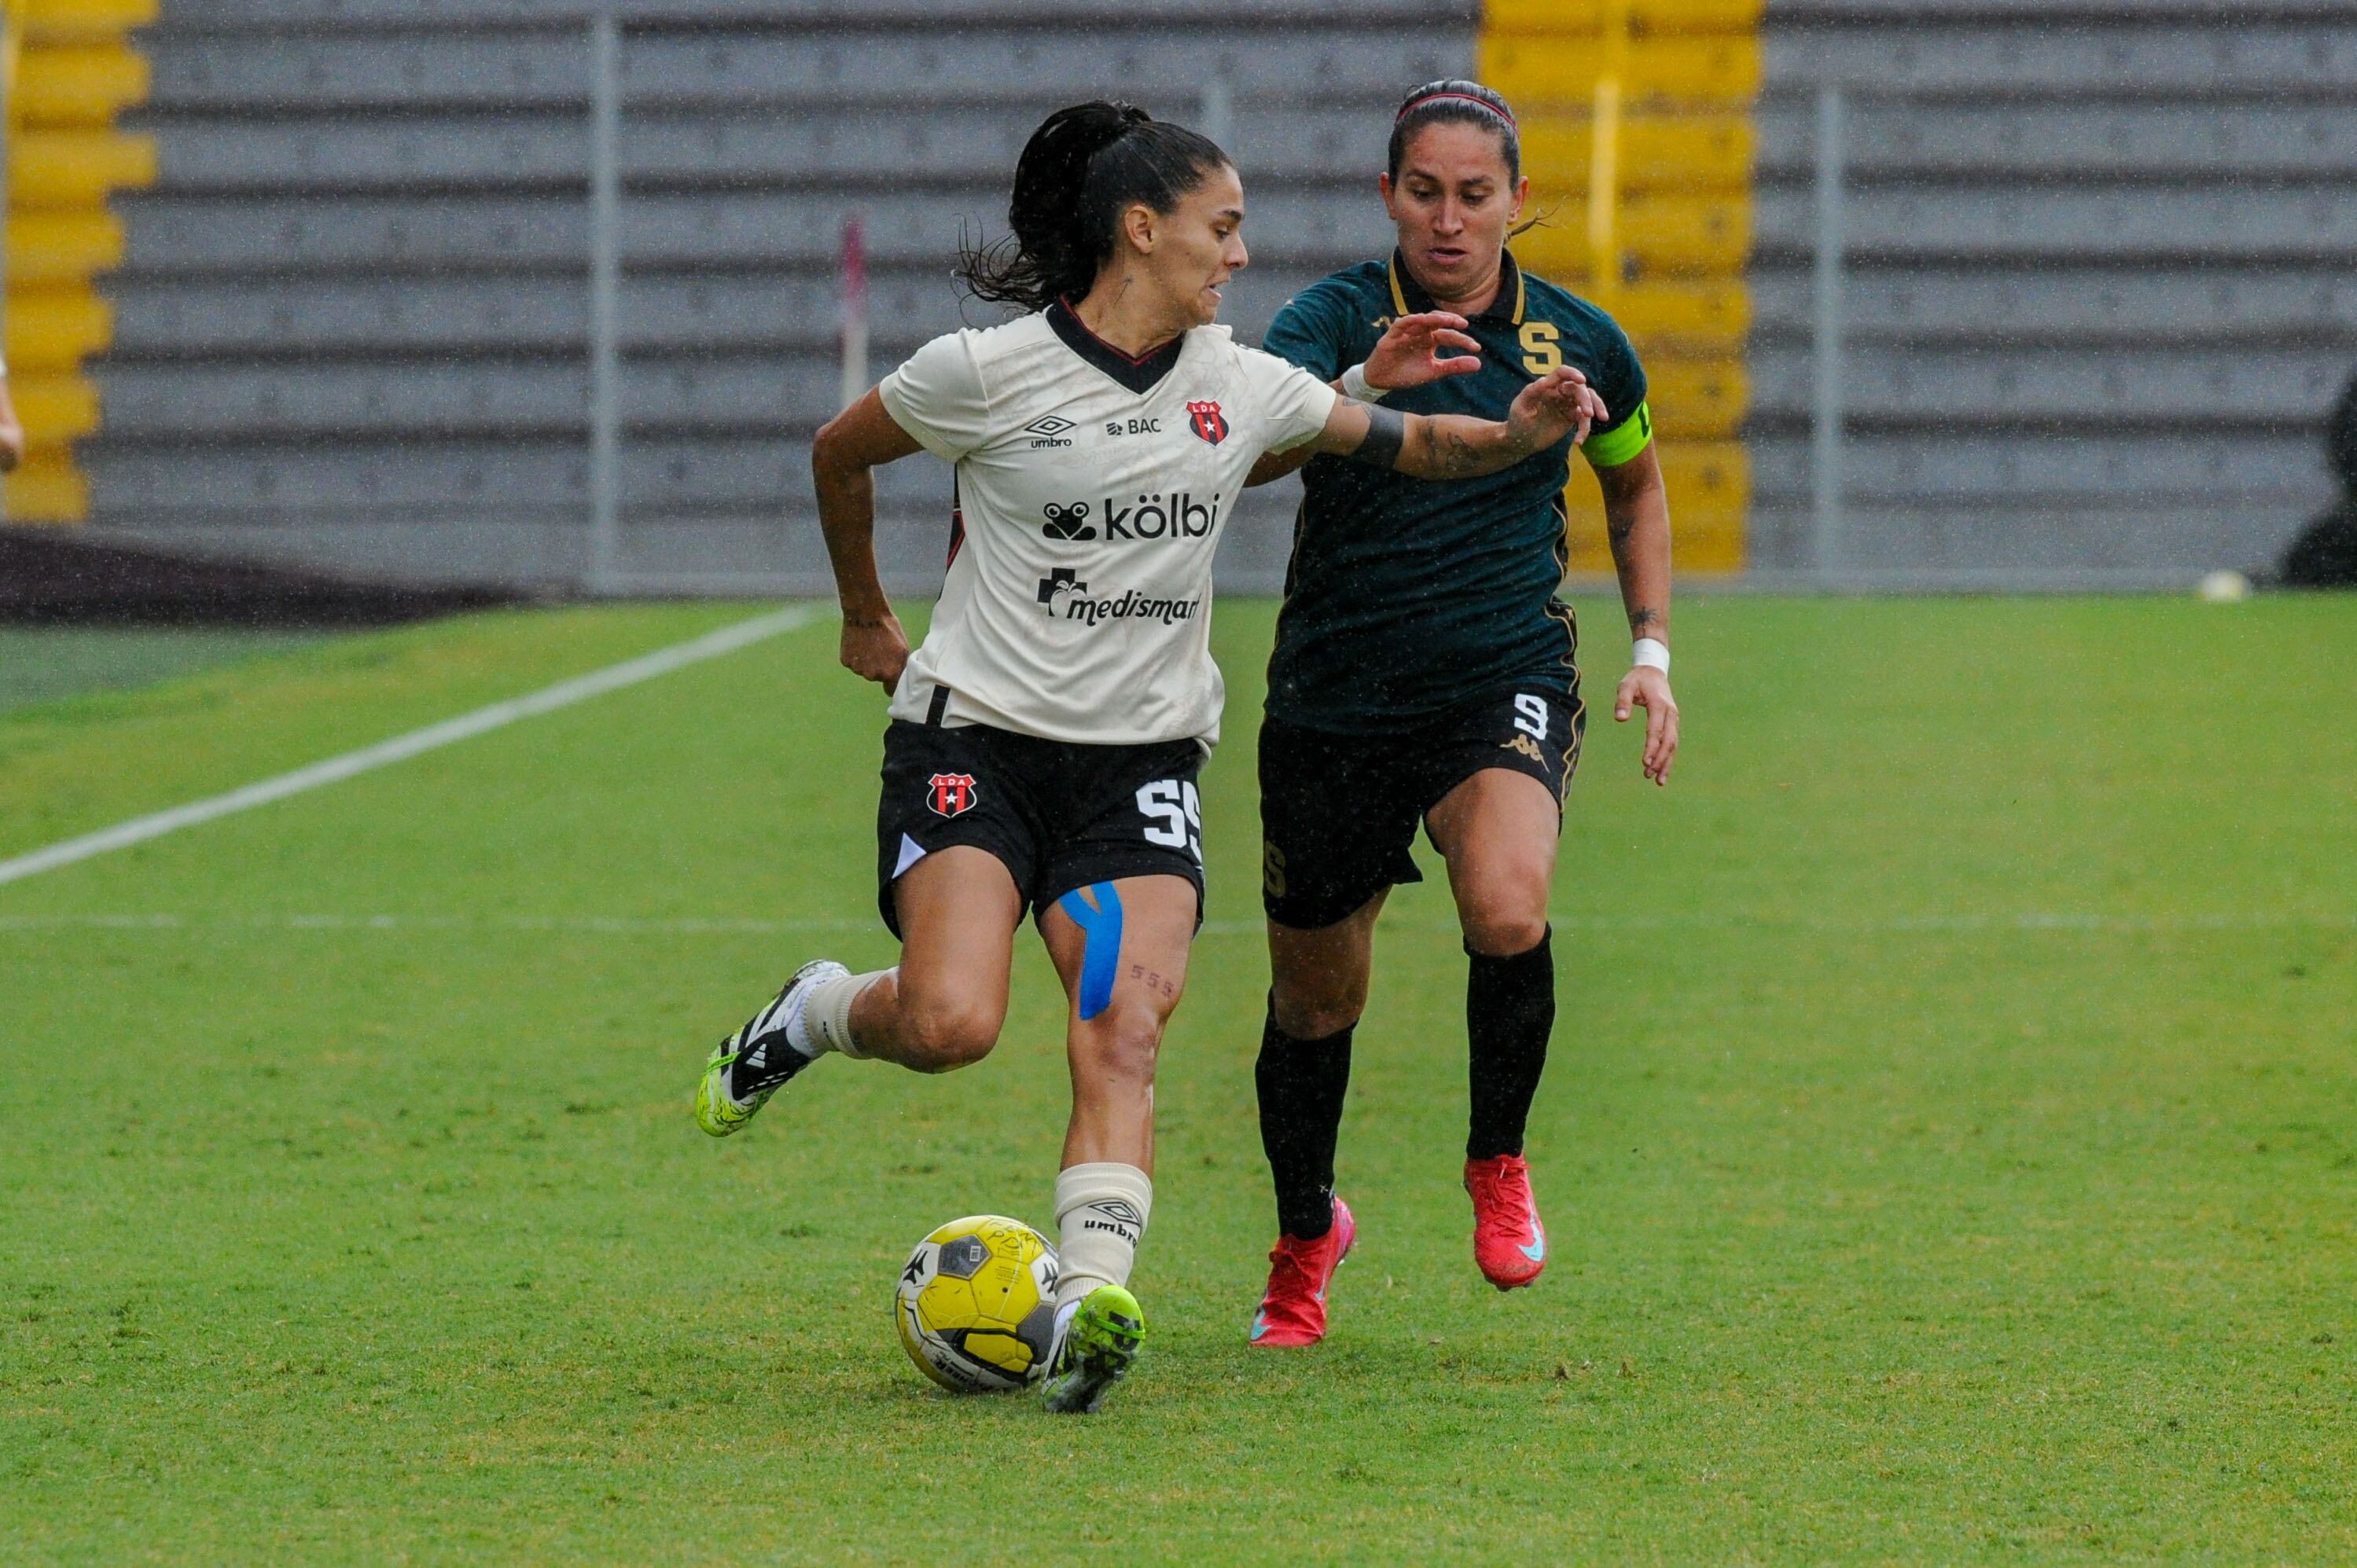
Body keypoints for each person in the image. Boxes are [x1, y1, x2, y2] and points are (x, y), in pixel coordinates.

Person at [689, 100, 1607, 1413]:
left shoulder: (1237, 378)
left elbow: (1405, 445)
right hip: (977, 748)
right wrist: (862, 615)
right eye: (1221, 229)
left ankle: (1082, 1304)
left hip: (1139, 770)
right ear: (1140, 229)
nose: (1239, 256)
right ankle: (819, 1009)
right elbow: (842, 454)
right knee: (951, 1024)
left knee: (1124, 1027)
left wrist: (1517, 437)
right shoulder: (983, 371)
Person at [1240, 79, 1682, 1347]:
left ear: (1516, 203)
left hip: (1500, 674)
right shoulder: (1326, 316)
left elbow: (1635, 486)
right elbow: (1240, 455)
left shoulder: (1581, 341)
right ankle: (1304, 1230)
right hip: (1332, 696)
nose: (1448, 219)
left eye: (1474, 195)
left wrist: (1649, 647)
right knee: (1314, 1003)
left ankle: (1497, 1161)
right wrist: (1347, 391)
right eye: (1423, 193)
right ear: (1388, 197)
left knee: (1506, 904)